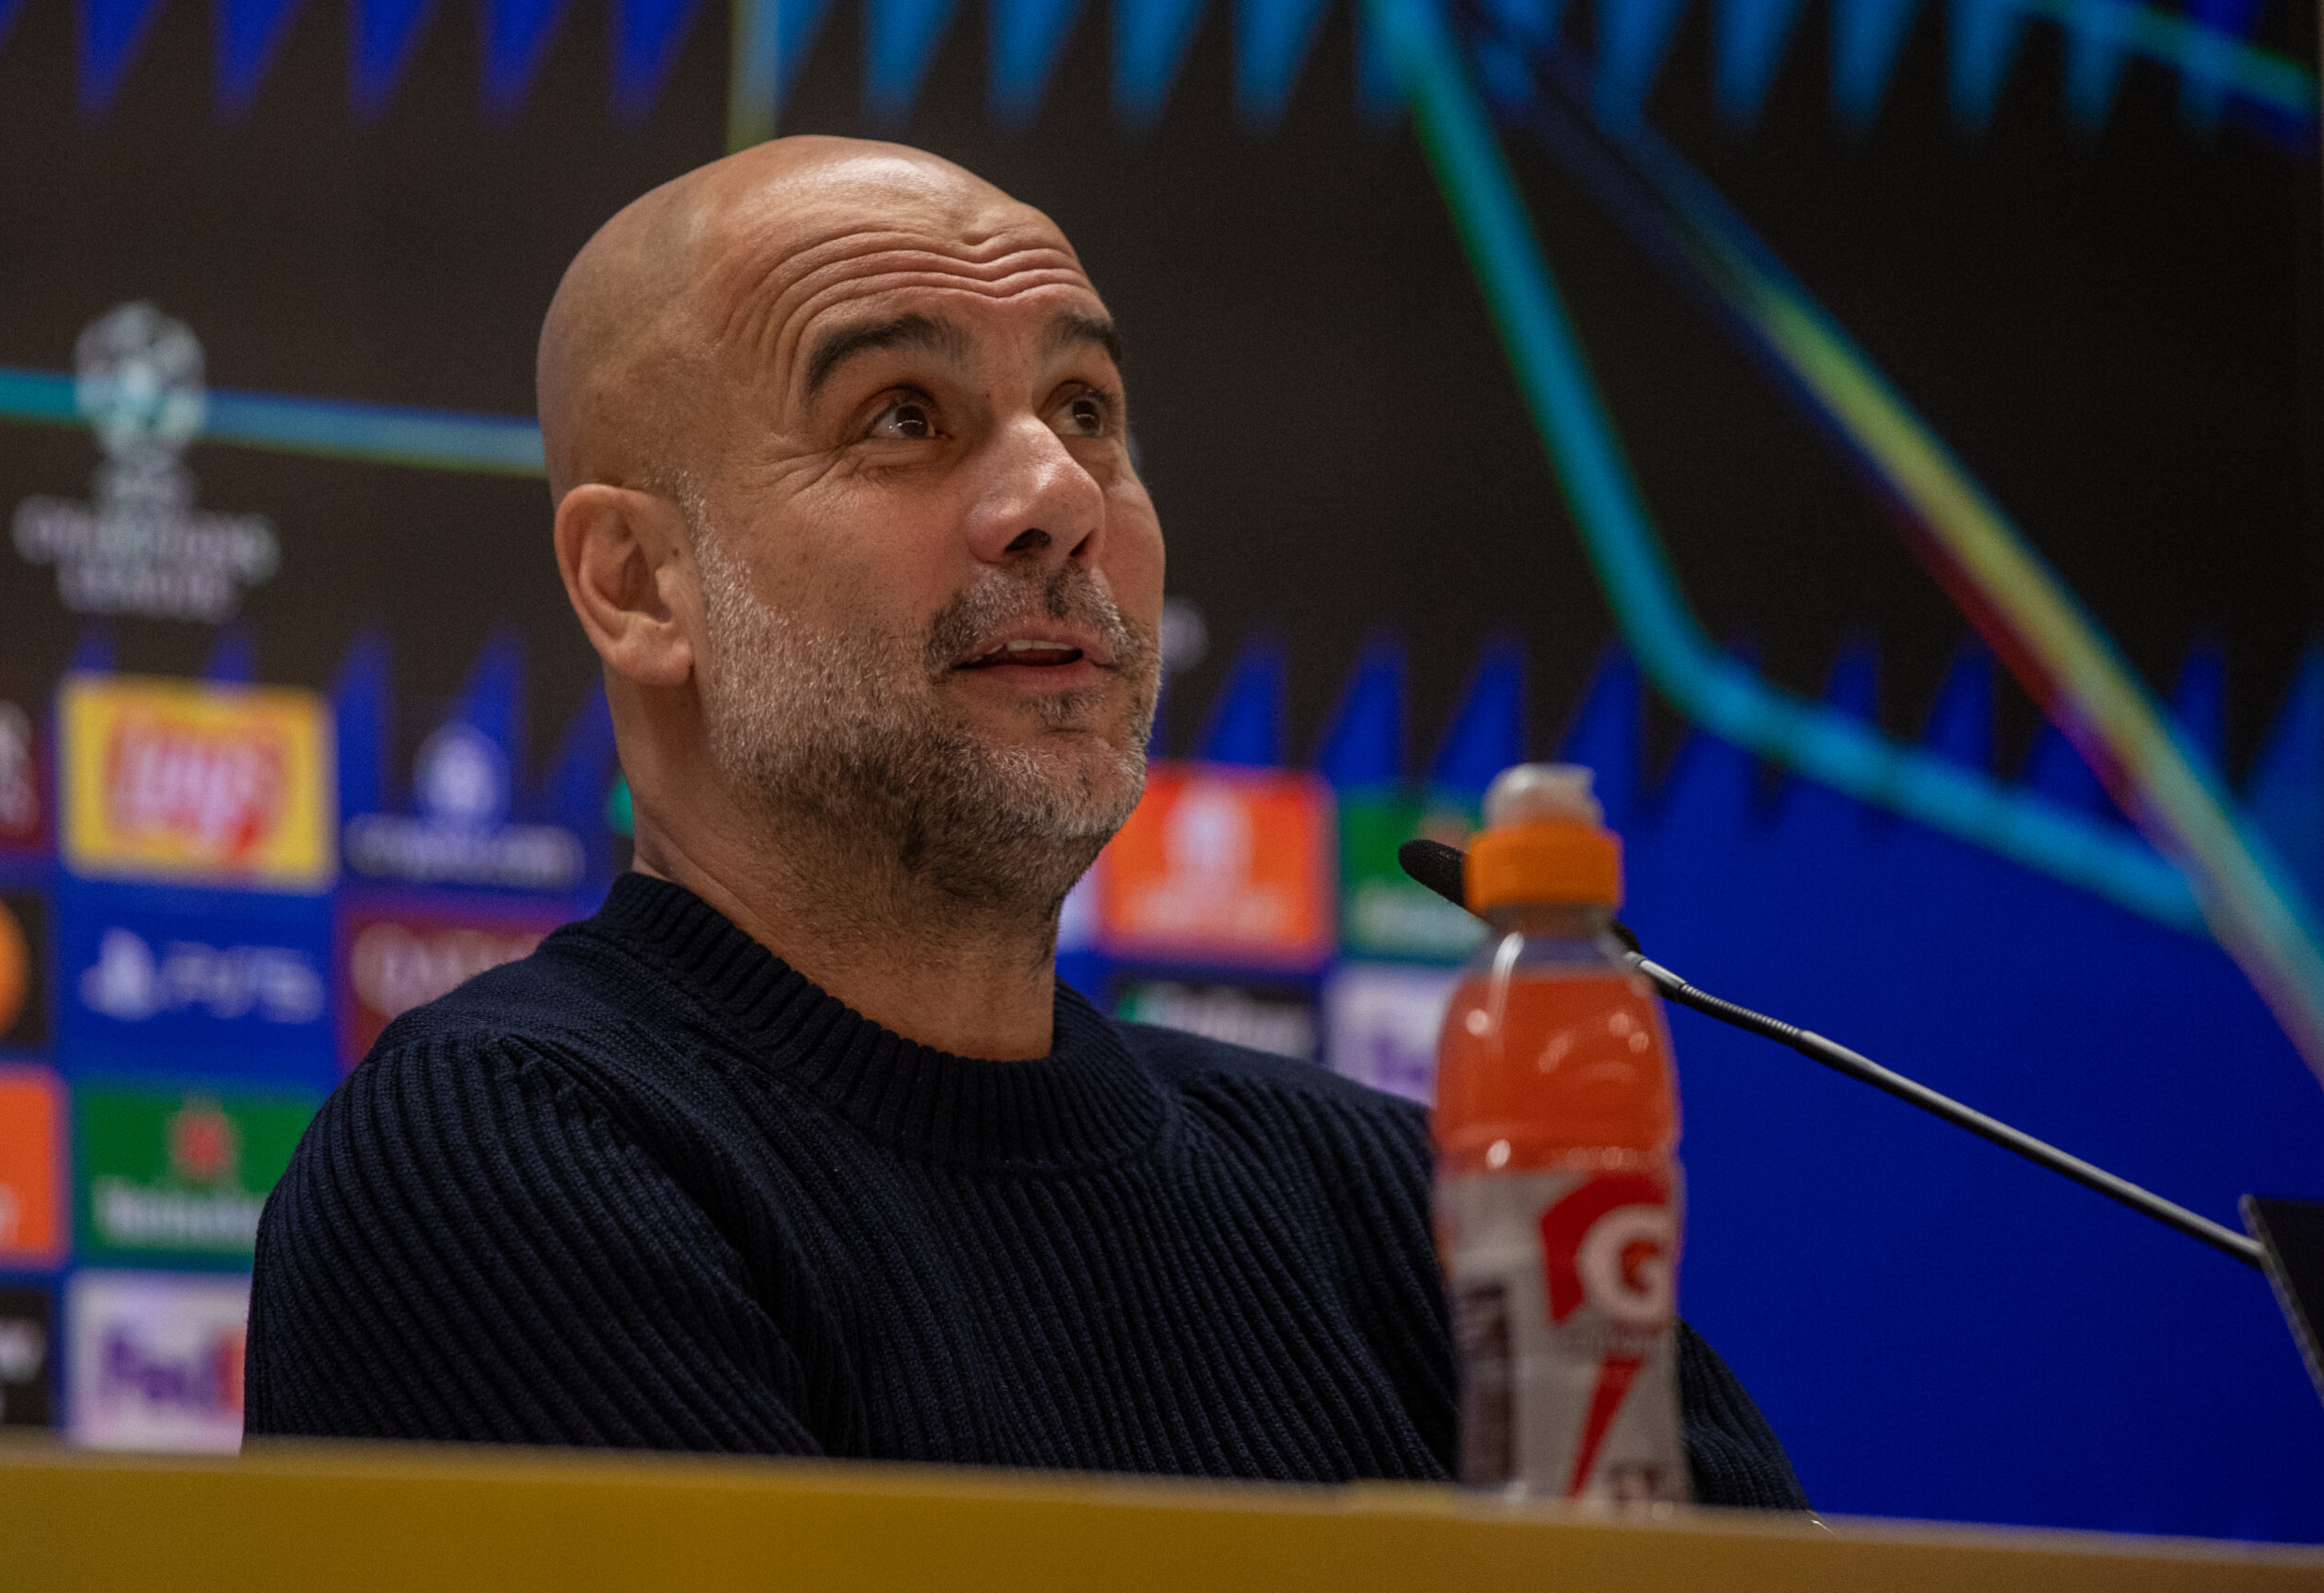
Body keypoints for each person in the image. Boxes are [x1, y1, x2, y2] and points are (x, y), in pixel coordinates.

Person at [244, 135, 1806, 1506]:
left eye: (1087, 406)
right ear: (638, 584)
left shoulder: (1412, 1211)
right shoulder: (503, 1163)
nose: (1058, 492)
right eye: (902, 417)